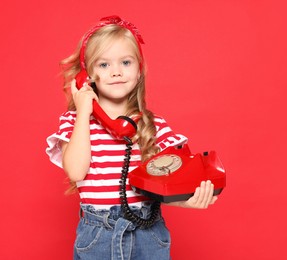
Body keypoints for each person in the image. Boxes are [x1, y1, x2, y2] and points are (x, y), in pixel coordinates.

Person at [46, 15, 217, 260]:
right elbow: (75, 172)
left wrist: (189, 201)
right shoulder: (75, 124)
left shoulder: (154, 126)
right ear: (87, 76)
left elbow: (163, 189)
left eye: (125, 62)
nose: (116, 72)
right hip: (98, 235)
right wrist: (84, 111)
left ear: (139, 70)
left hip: (148, 234)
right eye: (104, 65)